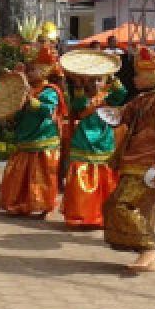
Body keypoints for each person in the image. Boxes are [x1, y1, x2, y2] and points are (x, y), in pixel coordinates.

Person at [102, 47, 155, 273]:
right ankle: (147, 258)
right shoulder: (141, 100)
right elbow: (121, 116)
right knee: (143, 211)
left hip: (150, 166)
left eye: (139, 74)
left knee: (119, 205)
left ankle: (150, 247)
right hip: (133, 163)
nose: (135, 78)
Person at [0, 44, 64, 218]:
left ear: (44, 71)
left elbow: (48, 110)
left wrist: (30, 100)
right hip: (25, 137)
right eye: (28, 69)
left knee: (40, 176)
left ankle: (43, 206)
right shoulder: (28, 89)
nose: (29, 73)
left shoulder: (50, 91)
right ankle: (20, 203)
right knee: (20, 174)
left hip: (42, 138)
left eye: (32, 69)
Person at [60, 70, 127, 228]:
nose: (95, 84)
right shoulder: (82, 98)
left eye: (99, 80)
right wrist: (77, 86)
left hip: (103, 142)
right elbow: (78, 106)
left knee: (104, 180)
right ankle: (81, 215)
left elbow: (121, 94)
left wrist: (112, 77)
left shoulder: (107, 98)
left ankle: (101, 215)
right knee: (81, 179)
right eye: (91, 80)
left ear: (105, 82)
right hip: (83, 141)